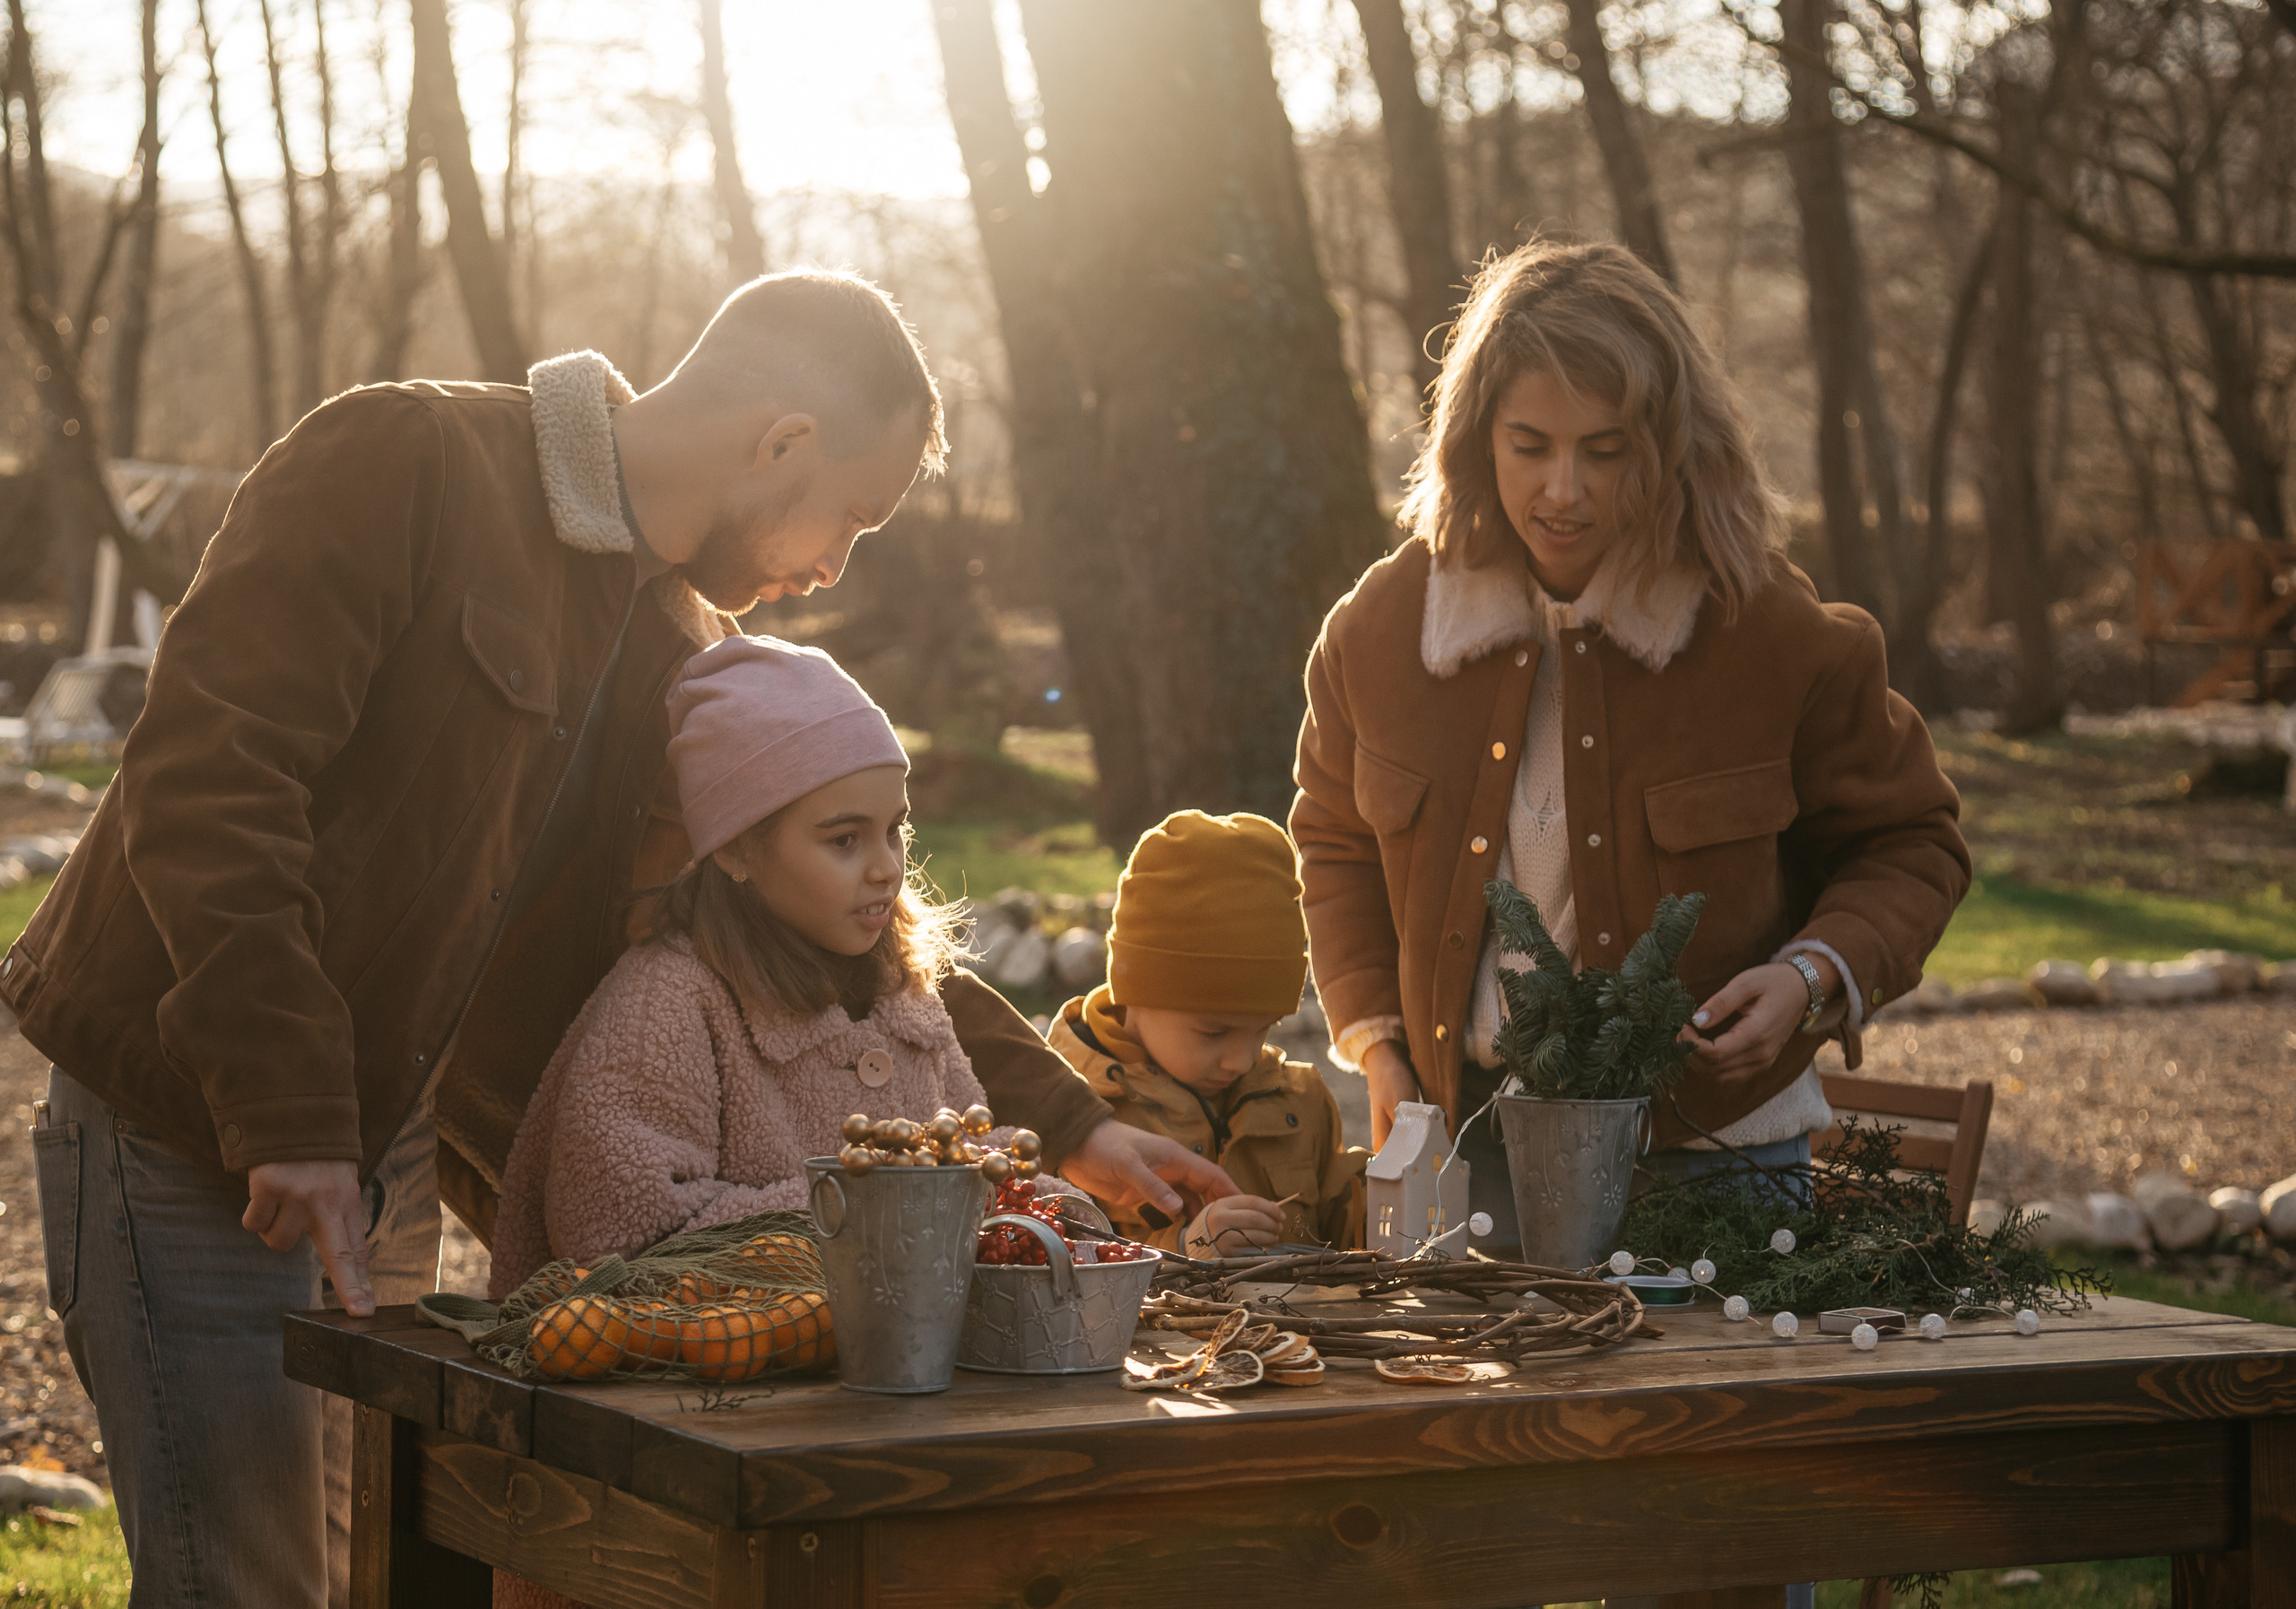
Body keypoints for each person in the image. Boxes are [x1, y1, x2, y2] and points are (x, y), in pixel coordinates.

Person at [8, 269, 1232, 1607]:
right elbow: (209, 781)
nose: (832, 567)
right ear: (781, 443)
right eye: (850, 519)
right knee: (240, 1585)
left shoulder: (677, 651)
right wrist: (289, 1107)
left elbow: (827, 911)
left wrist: (1073, 1123)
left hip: (373, 1151)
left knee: (375, 1572)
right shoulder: (404, 459)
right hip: (184, 1120)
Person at [1291, 238, 1970, 1260]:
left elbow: (1914, 843)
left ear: (1670, 448)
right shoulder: (1378, 633)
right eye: (1529, 446)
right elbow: (1333, 842)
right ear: (1475, 439)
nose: (1562, 490)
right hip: (1463, 1162)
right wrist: (1380, 1052)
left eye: (1603, 452)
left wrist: (1810, 977)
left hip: (1719, 1161)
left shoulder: (1772, 634)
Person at [491, 636, 1000, 1295]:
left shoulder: (903, 993)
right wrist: (867, 1200)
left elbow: (975, 1147)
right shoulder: (669, 1003)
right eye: (845, 839)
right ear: (735, 850)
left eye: (894, 829)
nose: (886, 867)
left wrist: (1042, 1200)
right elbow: (618, 1234)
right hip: (699, 1385)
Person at [1048, 811, 1365, 1257]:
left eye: (1264, 1030)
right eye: (1214, 1032)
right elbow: (1059, 1268)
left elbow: (1354, 1233)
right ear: (1133, 992)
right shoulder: (1071, 1113)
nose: (1242, 1060)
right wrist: (1189, 1246)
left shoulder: (1301, 1100)